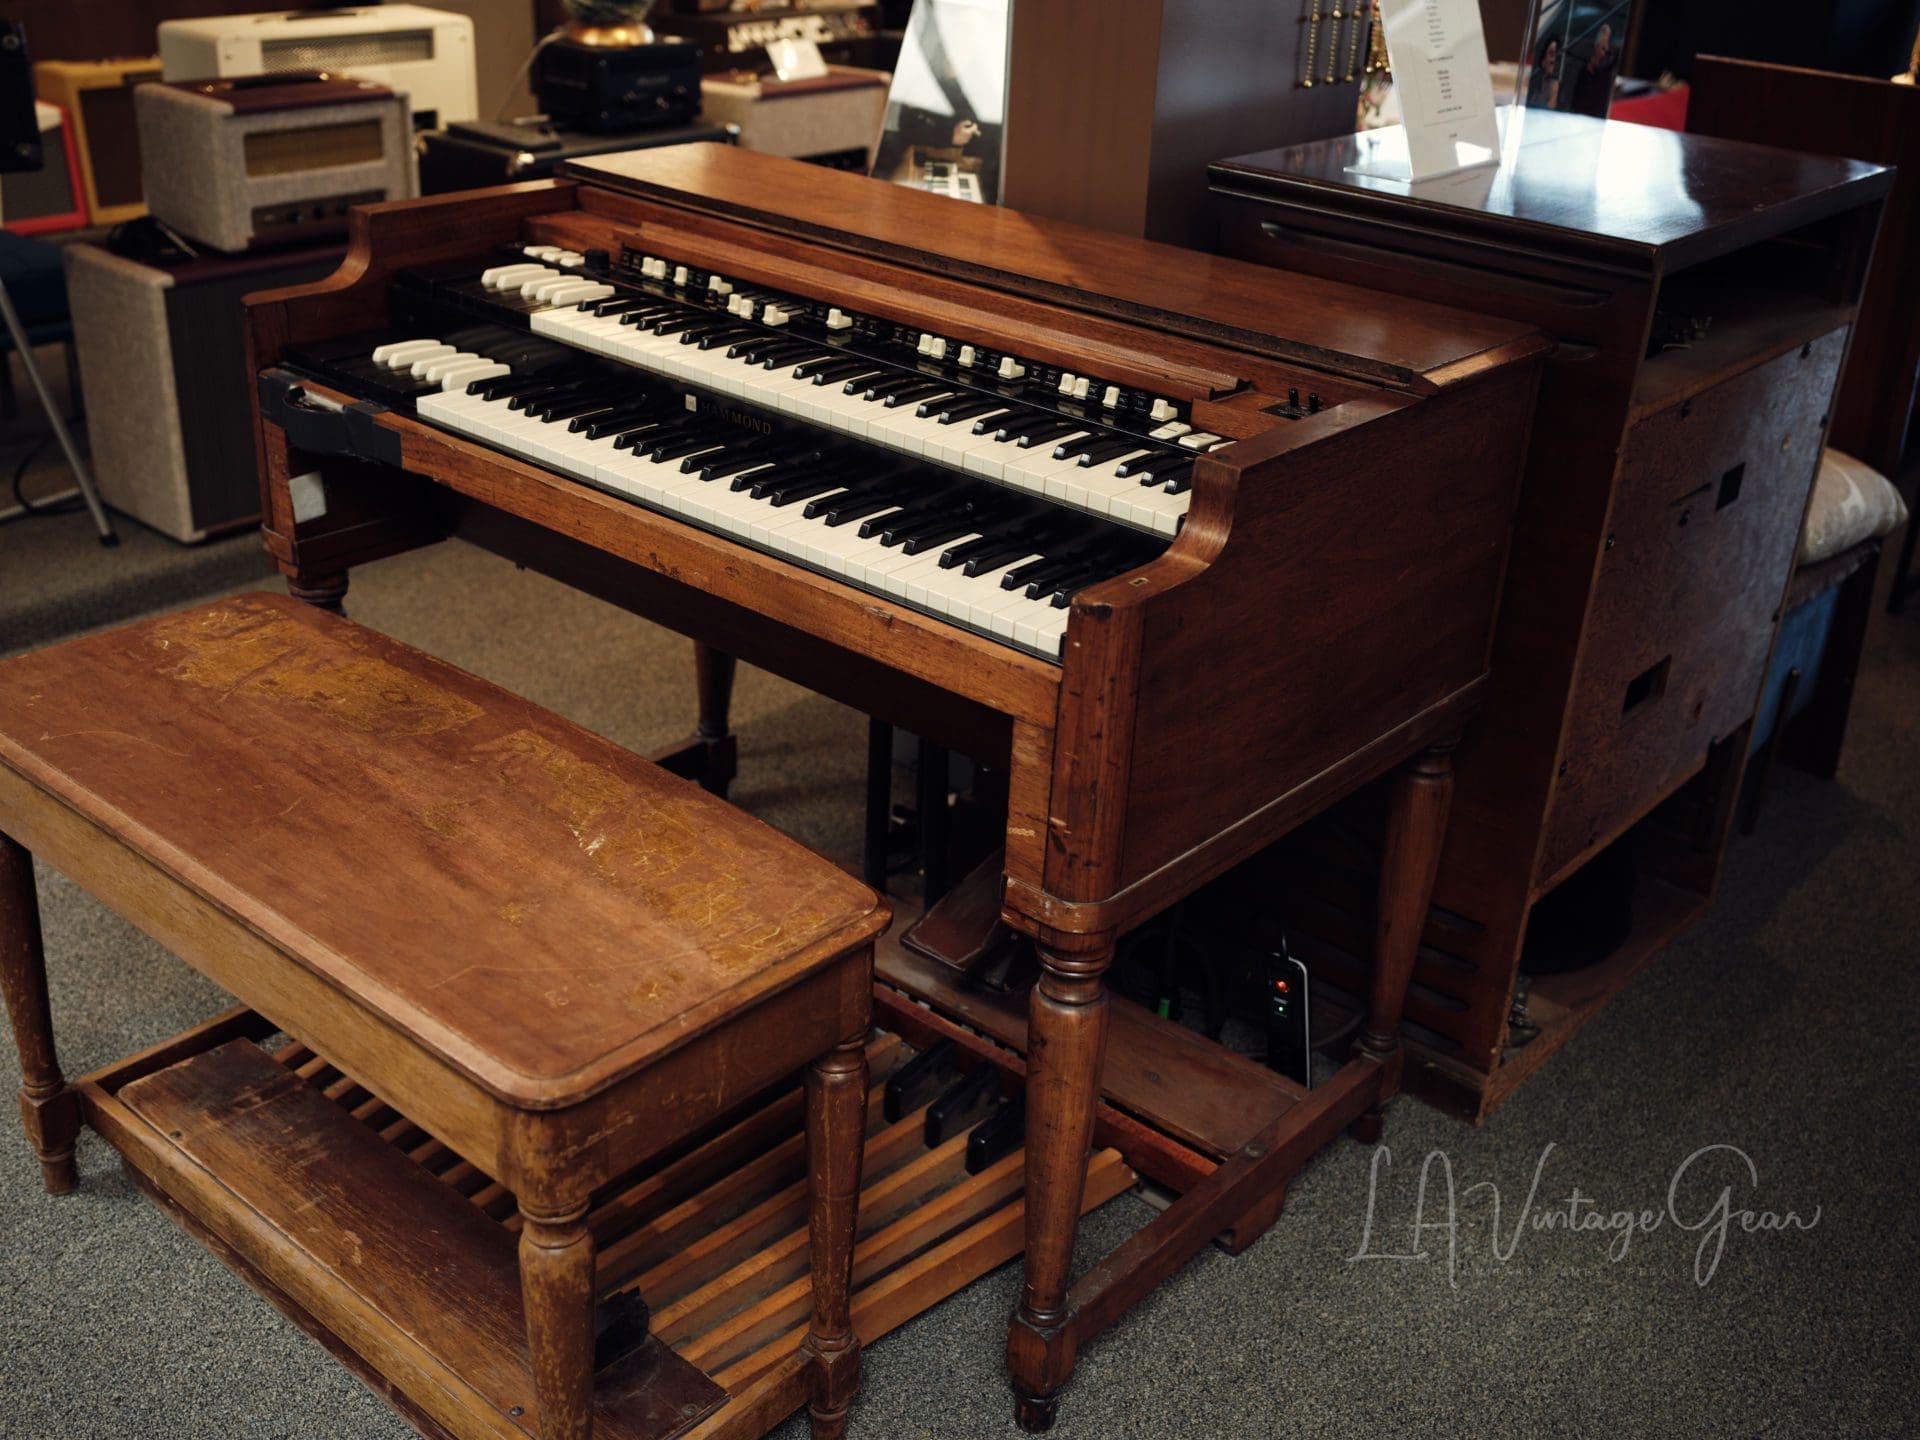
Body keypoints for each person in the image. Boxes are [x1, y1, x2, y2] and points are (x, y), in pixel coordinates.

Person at [1570, 23, 1620, 117]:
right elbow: (1576, 101)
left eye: (1606, 46)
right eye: (1603, 47)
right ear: (1596, 46)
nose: (1605, 51)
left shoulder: (1604, 74)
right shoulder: (1583, 72)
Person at [1526, 35, 1562, 108]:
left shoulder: (1555, 87)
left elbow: (1549, 112)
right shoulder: (1535, 85)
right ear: (1543, 61)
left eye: (1557, 55)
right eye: (1551, 54)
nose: (1554, 60)